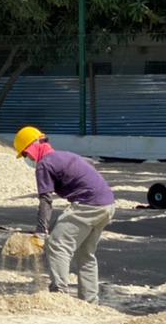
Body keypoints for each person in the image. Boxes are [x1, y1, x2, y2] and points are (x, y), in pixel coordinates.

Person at [13, 126, 116, 304]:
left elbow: (46, 200)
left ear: (31, 148)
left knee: (57, 244)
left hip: (89, 205)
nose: (27, 159)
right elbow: (88, 166)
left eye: (25, 155)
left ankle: (59, 297)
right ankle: (90, 302)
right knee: (85, 254)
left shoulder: (44, 165)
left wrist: (41, 231)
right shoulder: (64, 155)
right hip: (107, 204)